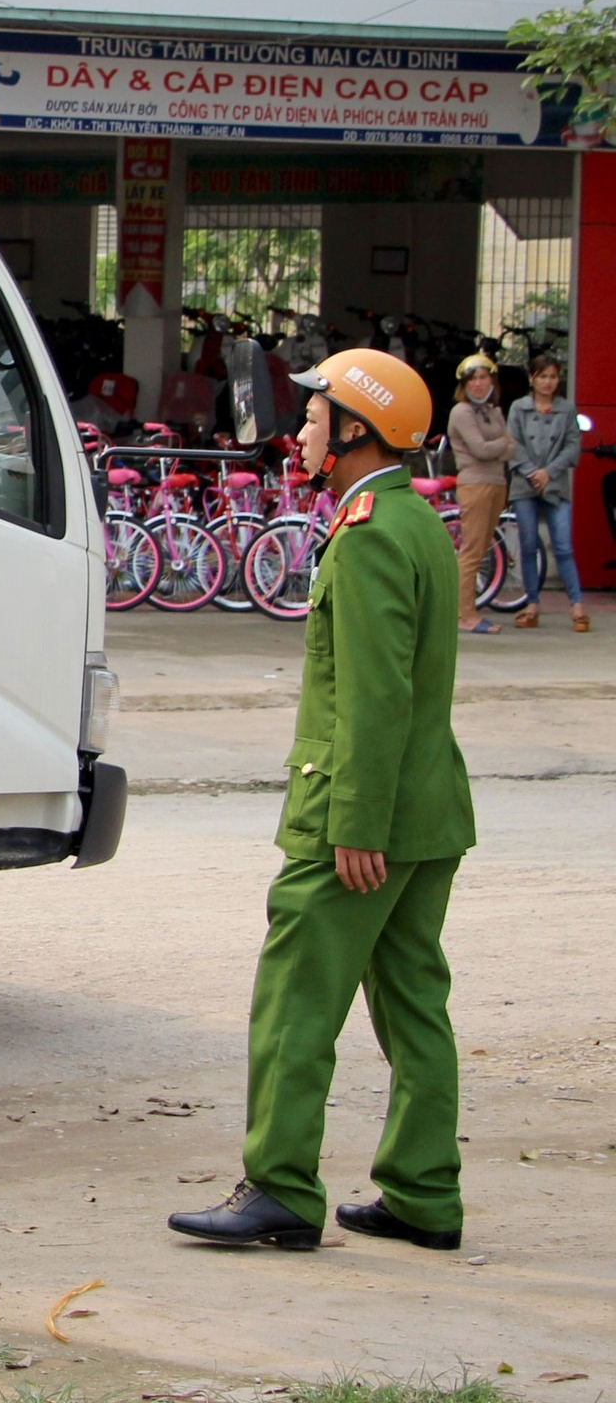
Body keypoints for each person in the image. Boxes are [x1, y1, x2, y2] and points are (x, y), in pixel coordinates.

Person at [170, 348, 476, 1254]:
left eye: (313, 415)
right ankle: (424, 1193)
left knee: (296, 1003)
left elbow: (376, 698)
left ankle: (281, 1188)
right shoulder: (416, 522)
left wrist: (353, 825)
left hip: (363, 816)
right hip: (430, 814)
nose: (298, 429)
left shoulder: (372, 533)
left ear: (355, 430)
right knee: (414, 1001)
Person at [505, 352, 588, 632]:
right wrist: (532, 472)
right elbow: (512, 444)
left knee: (563, 546)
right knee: (528, 545)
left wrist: (548, 472)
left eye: (553, 376)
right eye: (543, 376)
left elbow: (572, 446)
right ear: (532, 378)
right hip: (524, 484)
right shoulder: (518, 407)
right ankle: (532, 604)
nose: (548, 382)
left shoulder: (567, 409)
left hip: (555, 484)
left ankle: (576, 606)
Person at [447, 354, 511, 635]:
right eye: (472, 379)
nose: (478, 383)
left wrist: (498, 445)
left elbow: (511, 448)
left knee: (483, 548)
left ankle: (469, 609)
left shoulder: (493, 410)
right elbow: (480, 449)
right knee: (472, 551)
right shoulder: (461, 412)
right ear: (464, 384)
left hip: (497, 482)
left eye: (483, 377)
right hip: (475, 483)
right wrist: (503, 444)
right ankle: (465, 615)